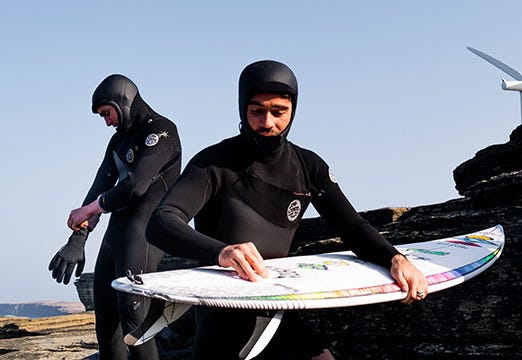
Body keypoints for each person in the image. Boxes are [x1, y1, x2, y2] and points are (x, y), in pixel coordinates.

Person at [146, 60, 427, 359]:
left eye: (279, 112)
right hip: (221, 318)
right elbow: (162, 222)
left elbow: (352, 228)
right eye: (257, 111)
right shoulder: (213, 163)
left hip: (277, 313)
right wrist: (222, 252)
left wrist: (394, 258)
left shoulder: (308, 166)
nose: (268, 123)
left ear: (293, 110)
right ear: (243, 108)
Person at [48, 74, 182, 360]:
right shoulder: (117, 142)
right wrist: (78, 238)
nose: (106, 121)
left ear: (123, 102)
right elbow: (100, 185)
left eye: (107, 113)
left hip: (144, 236)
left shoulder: (162, 131)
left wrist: (92, 209)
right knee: (106, 324)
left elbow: (136, 186)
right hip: (116, 237)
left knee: (135, 325)